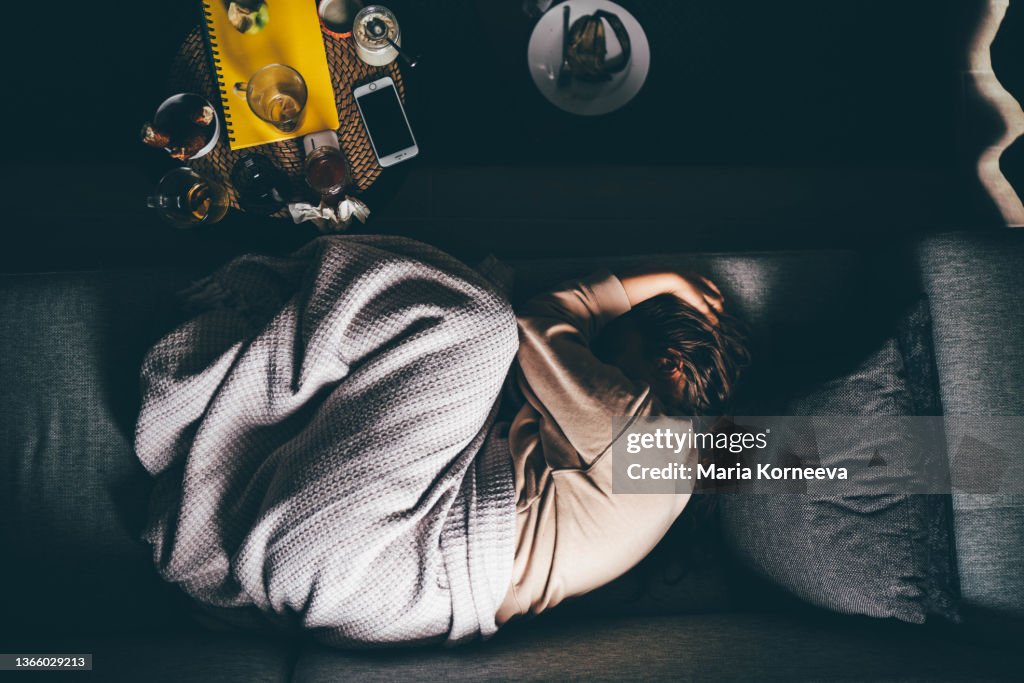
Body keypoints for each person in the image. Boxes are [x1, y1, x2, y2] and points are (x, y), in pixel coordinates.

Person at [496, 270, 749, 622]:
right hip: (464, 598)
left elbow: (531, 326)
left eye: (610, 352)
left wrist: (669, 280)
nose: (594, 362)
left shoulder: (635, 427)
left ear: (668, 363)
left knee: (480, 314)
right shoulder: (681, 467)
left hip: (456, 554)